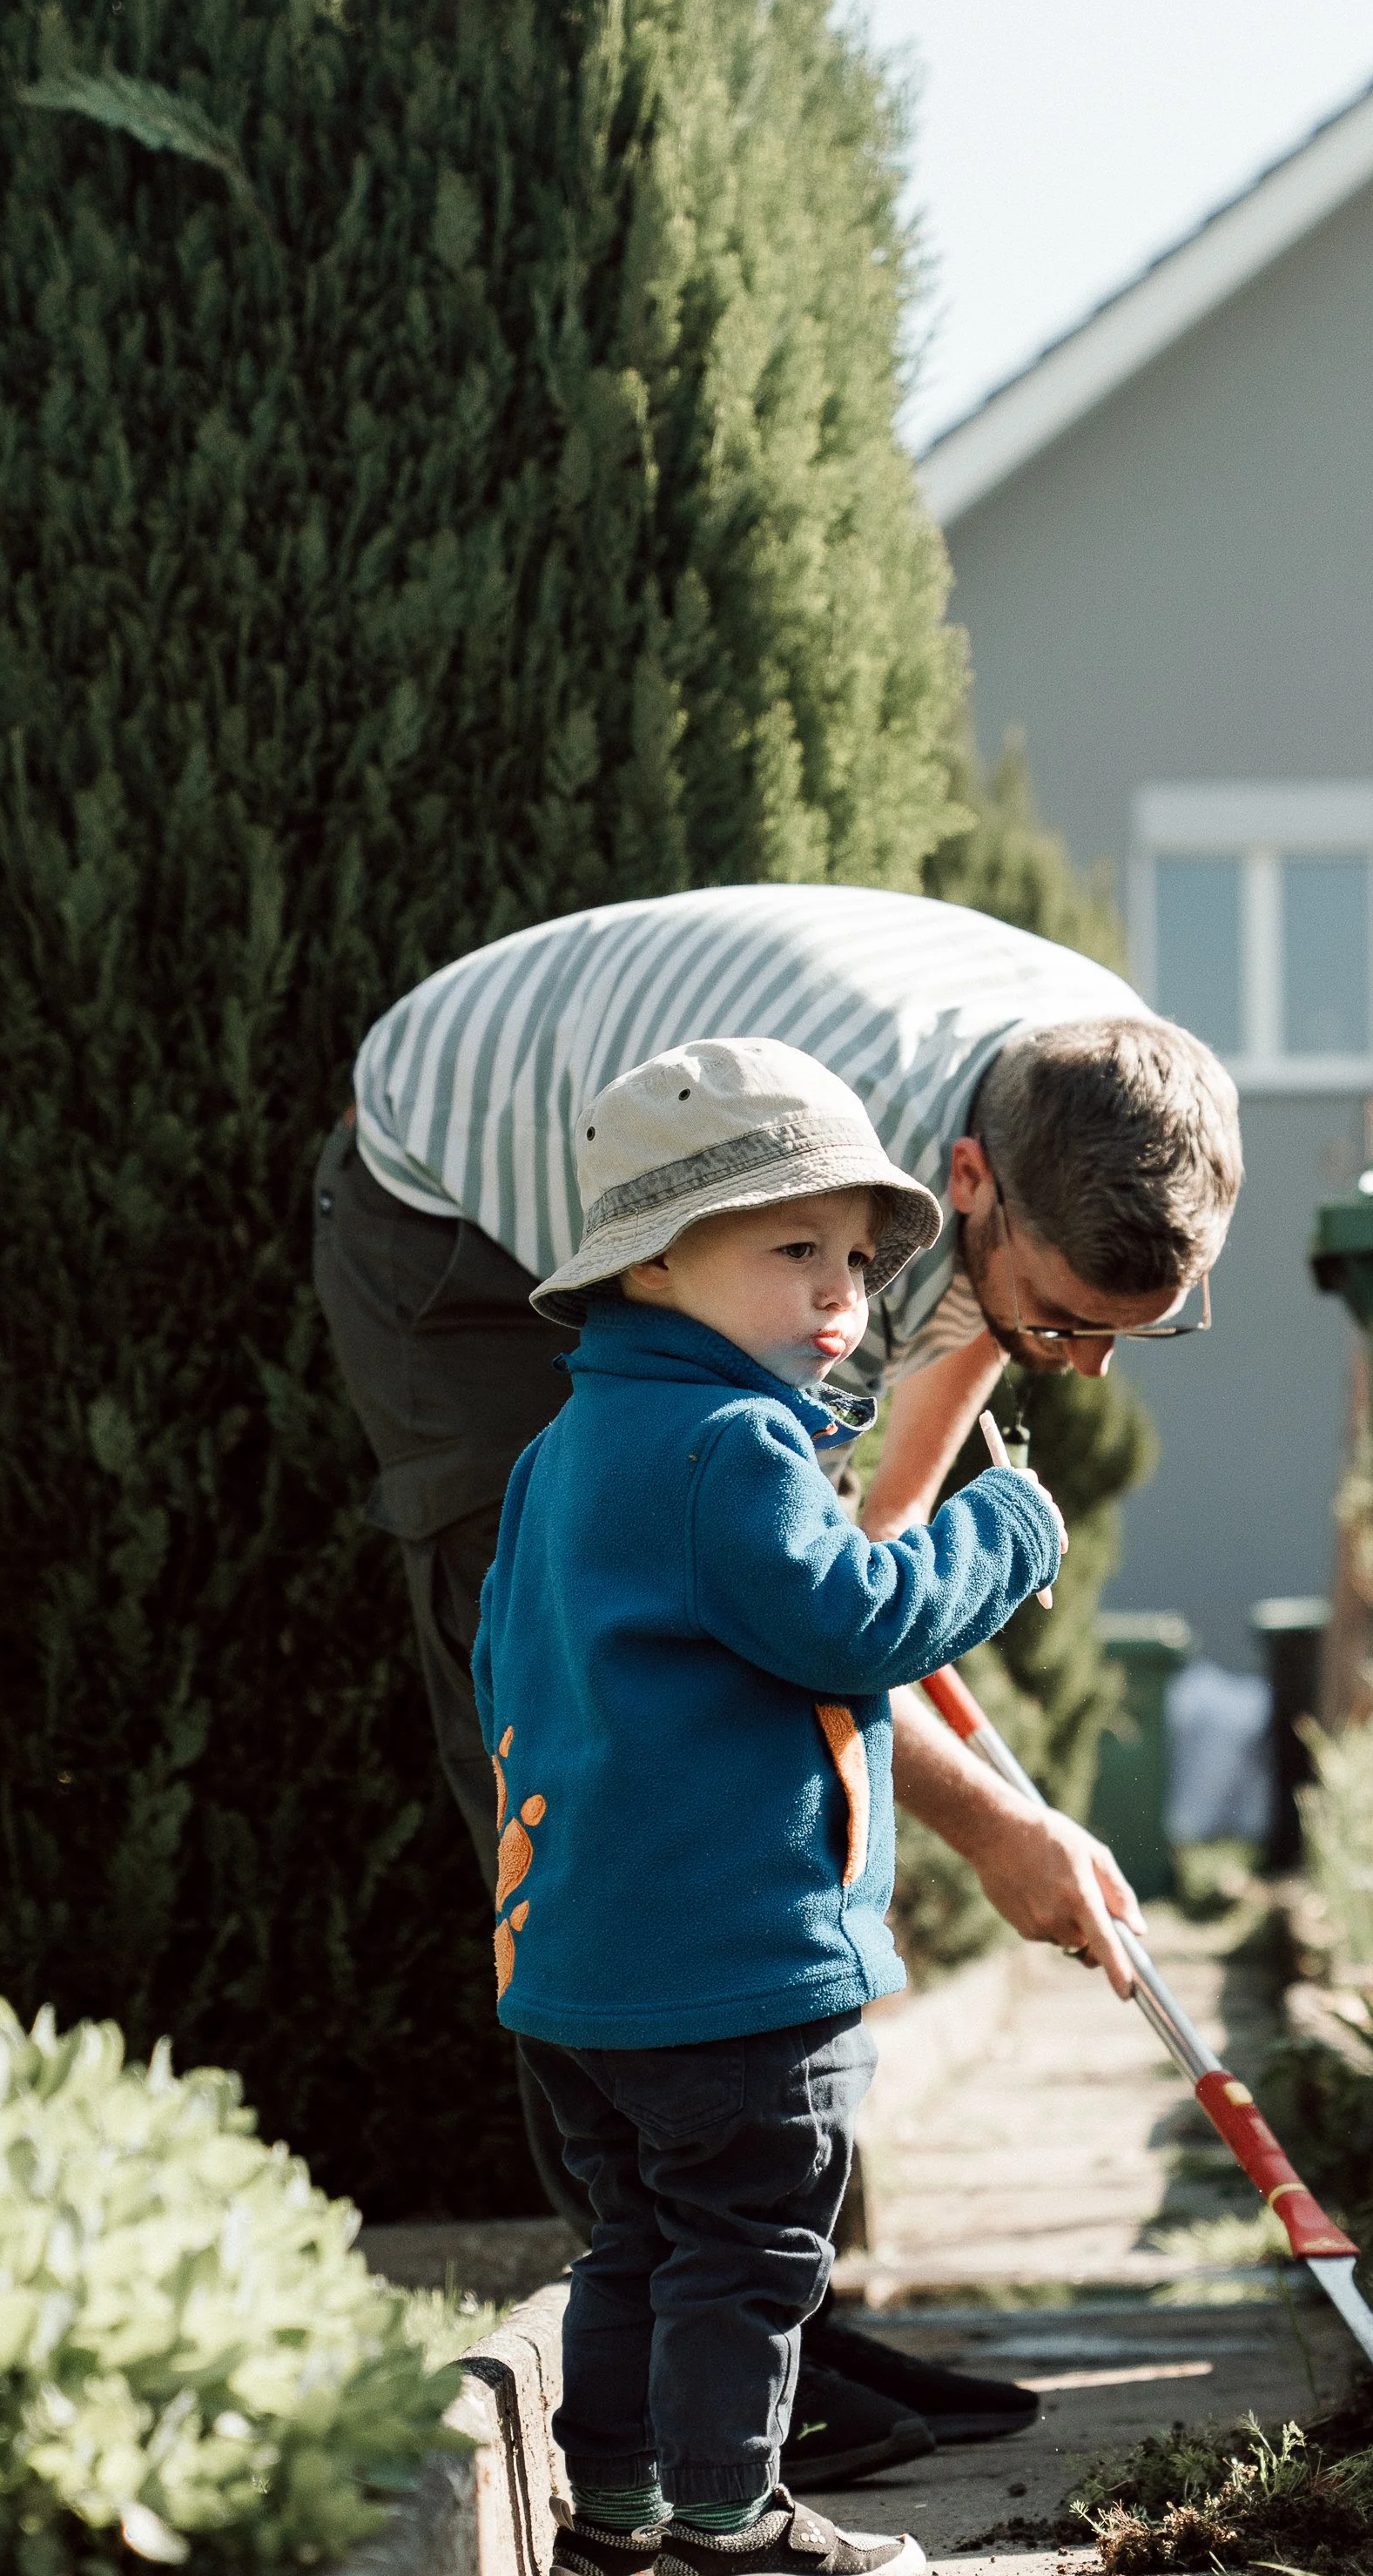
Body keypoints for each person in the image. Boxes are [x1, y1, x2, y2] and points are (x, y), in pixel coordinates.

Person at [313, 880, 1242, 2477]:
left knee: (762, 1695)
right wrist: (1000, 1826)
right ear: (963, 1190)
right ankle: (708, 2381)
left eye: (1127, 1340)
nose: (1082, 1372)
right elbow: (788, 1629)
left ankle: (765, 2319)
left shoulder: (1102, 1087)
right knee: (597, 1769)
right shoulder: (821, 1225)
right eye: (1070, 1325)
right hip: (453, 1215)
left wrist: (888, 1555)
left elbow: (929, 1413)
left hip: (706, 1191)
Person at [477, 1039, 1067, 2576]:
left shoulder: (558, 1457)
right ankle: (729, 2527)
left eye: (860, 1260)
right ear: (657, 1262)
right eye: (791, 1248)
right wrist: (1001, 1532)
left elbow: (498, 1664)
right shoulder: (730, 1446)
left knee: (635, 2246)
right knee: (752, 2252)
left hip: (581, 1960)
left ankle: (612, 2525)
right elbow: (853, 1620)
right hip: (730, 1955)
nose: (841, 1296)